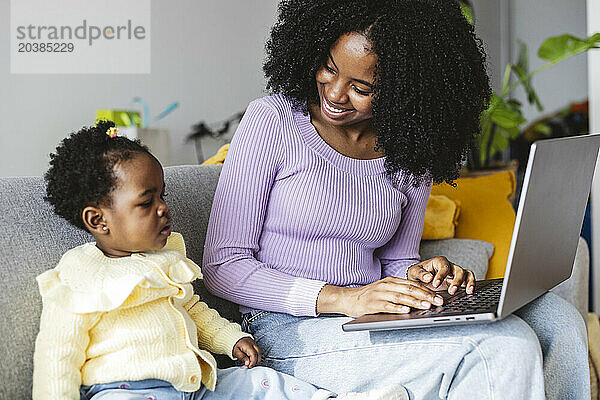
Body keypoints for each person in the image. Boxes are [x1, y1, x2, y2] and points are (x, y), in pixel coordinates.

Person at [202, 1, 589, 399]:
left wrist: (422, 277)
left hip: (376, 314)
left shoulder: (409, 144)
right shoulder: (273, 120)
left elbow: (396, 260)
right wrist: (344, 299)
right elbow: (222, 265)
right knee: (504, 346)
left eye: (361, 88)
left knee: (558, 319)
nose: (335, 94)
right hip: (288, 330)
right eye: (329, 68)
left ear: (404, 87)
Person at [32, 121, 407, 400]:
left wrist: (231, 339)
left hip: (196, 385)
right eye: (147, 203)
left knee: (262, 384)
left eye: (162, 196)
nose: (163, 209)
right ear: (97, 220)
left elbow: (194, 311)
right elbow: (56, 356)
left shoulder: (168, 256)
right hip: (125, 391)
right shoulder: (79, 274)